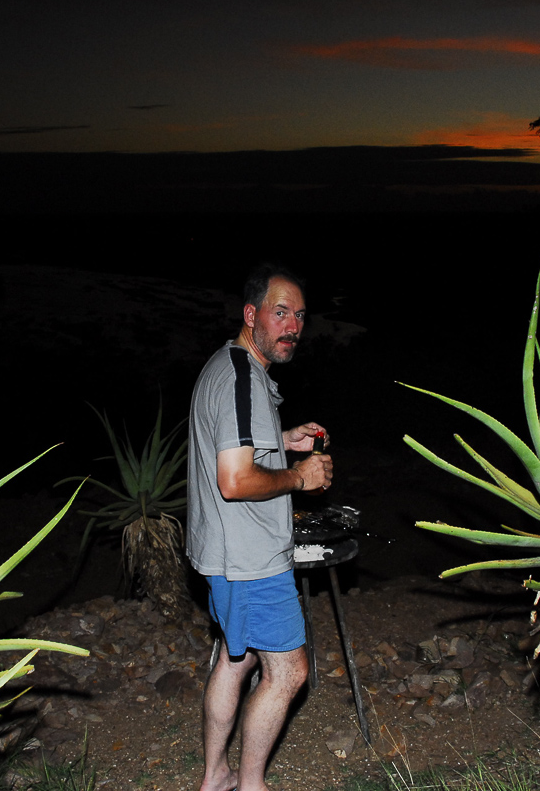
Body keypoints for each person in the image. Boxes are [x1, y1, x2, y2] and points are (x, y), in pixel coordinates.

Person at [187, 264, 334, 791]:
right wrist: (299, 474)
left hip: (222, 551)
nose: (292, 325)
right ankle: (250, 785)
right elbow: (234, 479)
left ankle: (214, 777)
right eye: (279, 313)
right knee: (289, 673)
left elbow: (235, 445)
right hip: (248, 558)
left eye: (298, 315)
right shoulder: (242, 380)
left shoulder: (226, 365)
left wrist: (282, 436)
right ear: (251, 315)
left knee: (238, 658)